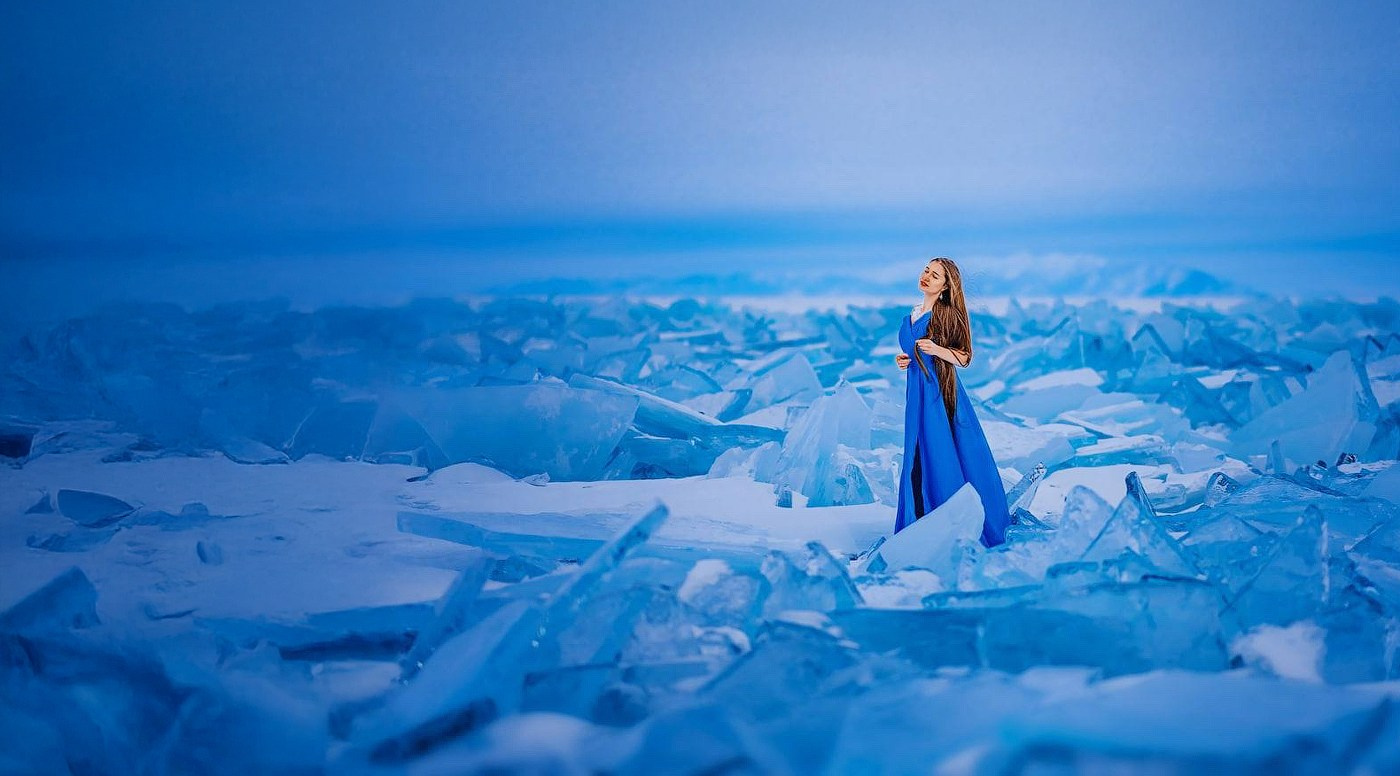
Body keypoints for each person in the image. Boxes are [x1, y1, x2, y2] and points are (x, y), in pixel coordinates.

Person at [893, 257, 1011, 547]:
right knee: (918, 455)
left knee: (943, 454)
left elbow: (965, 357)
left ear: (946, 287)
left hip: (939, 395)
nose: (926, 277)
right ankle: (919, 520)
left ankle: (957, 522)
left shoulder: (946, 315)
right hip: (917, 394)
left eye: (935, 276)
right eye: (926, 271)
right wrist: (907, 360)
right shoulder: (912, 314)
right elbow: (919, 353)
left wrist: (936, 350)